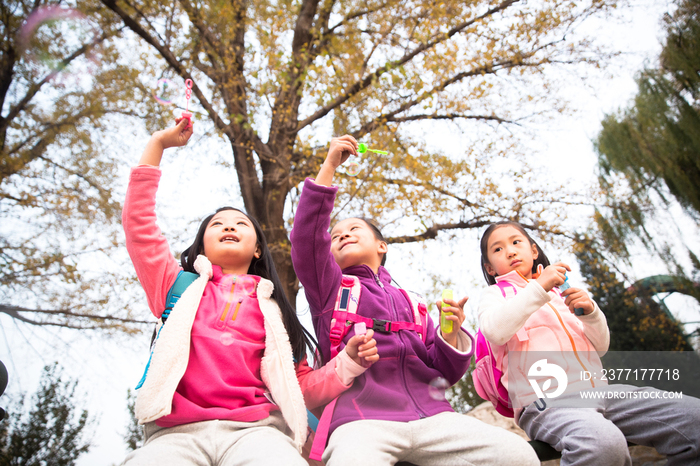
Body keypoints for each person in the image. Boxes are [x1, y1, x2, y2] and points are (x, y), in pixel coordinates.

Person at [121, 120, 379, 465]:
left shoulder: (275, 313)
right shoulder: (175, 286)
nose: (229, 225)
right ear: (202, 247)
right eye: (218, 224)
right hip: (174, 434)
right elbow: (139, 226)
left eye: (241, 223)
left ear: (258, 249)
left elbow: (299, 386)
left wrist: (348, 363)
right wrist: (157, 145)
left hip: (257, 433)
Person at [289, 135, 540, 466]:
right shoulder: (330, 290)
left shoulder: (414, 302)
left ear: (382, 246)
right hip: (361, 421)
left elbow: (442, 373)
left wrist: (450, 335)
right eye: (335, 236)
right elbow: (307, 238)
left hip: (434, 418)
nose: (342, 235)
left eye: (353, 229)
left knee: (519, 456)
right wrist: (330, 166)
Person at [477, 220, 700, 466]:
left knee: (693, 418)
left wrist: (591, 313)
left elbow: (601, 346)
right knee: (603, 445)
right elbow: (495, 331)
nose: (509, 251)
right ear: (490, 268)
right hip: (546, 403)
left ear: (533, 251)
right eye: (497, 249)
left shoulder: (561, 293)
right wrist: (539, 287)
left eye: (516, 242)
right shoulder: (495, 296)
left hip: (600, 391)